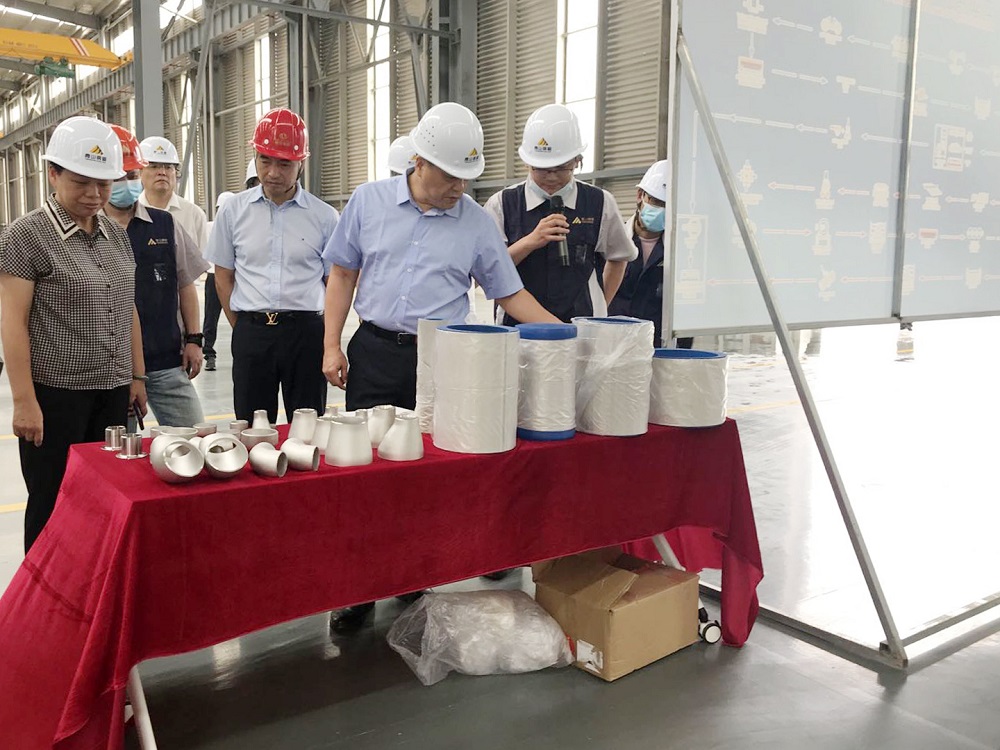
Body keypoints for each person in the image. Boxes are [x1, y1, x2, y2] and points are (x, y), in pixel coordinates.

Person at [321, 102, 559, 633]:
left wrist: (564, 333)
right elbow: (342, 274)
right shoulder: (368, 202)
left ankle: (412, 574)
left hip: (444, 362)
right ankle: (359, 587)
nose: (460, 187)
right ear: (420, 161)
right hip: (375, 353)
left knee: (428, 471)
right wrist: (331, 345)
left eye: (467, 178)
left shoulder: (475, 223)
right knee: (366, 473)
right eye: (451, 176)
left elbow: (509, 293)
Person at [0, 116, 148, 553]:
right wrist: (24, 402)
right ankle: (43, 593)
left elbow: (127, 306)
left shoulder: (115, 235)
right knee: (51, 503)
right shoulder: (27, 236)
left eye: (103, 184)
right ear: (53, 174)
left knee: (104, 499)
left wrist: (136, 376)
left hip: (111, 392)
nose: (94, 195)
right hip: (56, 397)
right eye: (81, 183)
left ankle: (93, 586)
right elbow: (12, 321)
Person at [206, 108, 339, 424]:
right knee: (251, 427)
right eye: (265, 161)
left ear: (301, 164)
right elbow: (223, 277)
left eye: (284, 164)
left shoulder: (324, 217)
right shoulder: (233, 212)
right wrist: (244, 326)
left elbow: (333, 282)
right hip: (252, 332)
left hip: (306, 333)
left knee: (307, 427)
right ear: (255, 157)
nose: (273, 172)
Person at [484, 103, 637, 326]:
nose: (552, 177)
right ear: (527, 162)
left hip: (581, 330)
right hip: (517, 329)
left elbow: (618, 257)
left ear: (577, 160)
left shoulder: (600, 202)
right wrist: (530, 242)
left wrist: (598, 307)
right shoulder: (502, 204)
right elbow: (490, 270)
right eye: (542, 169)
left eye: (562, 168)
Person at [106, 125, 209, 428]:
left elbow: (185, 284)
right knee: (120, 448)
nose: (126, 183)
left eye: (131, 175)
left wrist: (194, 339)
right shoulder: (92, 230)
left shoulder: (164, 224)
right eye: (118, 177)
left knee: (193, 436)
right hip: (113, 369)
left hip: (166, 360)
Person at [608, 159, 692, 348]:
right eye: (657, 202)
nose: (662, 211)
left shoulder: (682, 252)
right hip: (614, 345)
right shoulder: (613, 241)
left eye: (668, 206)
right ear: (640, 196)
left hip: (661, 348)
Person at [137, 136, 210, 254]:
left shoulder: (193, 215)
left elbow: (205, 260)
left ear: (176, 172)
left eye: (168, 167)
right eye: (154, 166)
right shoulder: (132, 213)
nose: (162, 172)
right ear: (139, 172)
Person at [202, 191, 237, 372]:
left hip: (234, 276)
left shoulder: (238, 225)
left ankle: (241, 351)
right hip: (213, 276)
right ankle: (209, 353)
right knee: (211, 317)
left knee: (239, 318)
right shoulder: (210, 226)